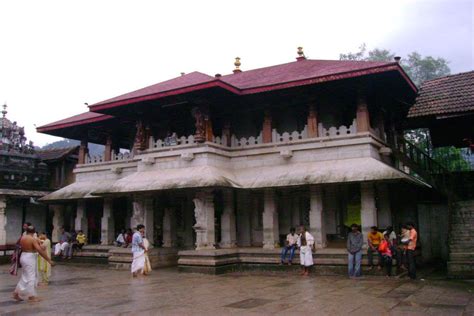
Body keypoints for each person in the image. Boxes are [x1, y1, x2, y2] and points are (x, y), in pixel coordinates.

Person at [12, 225, 54, 302]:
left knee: (25, 276)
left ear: (27, 231)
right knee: (32, 277)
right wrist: (48, 260)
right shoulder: (32, 239)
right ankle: (31, 296)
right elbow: (40, 250)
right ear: (34, 232)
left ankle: (16, 293)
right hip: (29, 257)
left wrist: (38, 243)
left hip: (23, 256)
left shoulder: (23, 238)